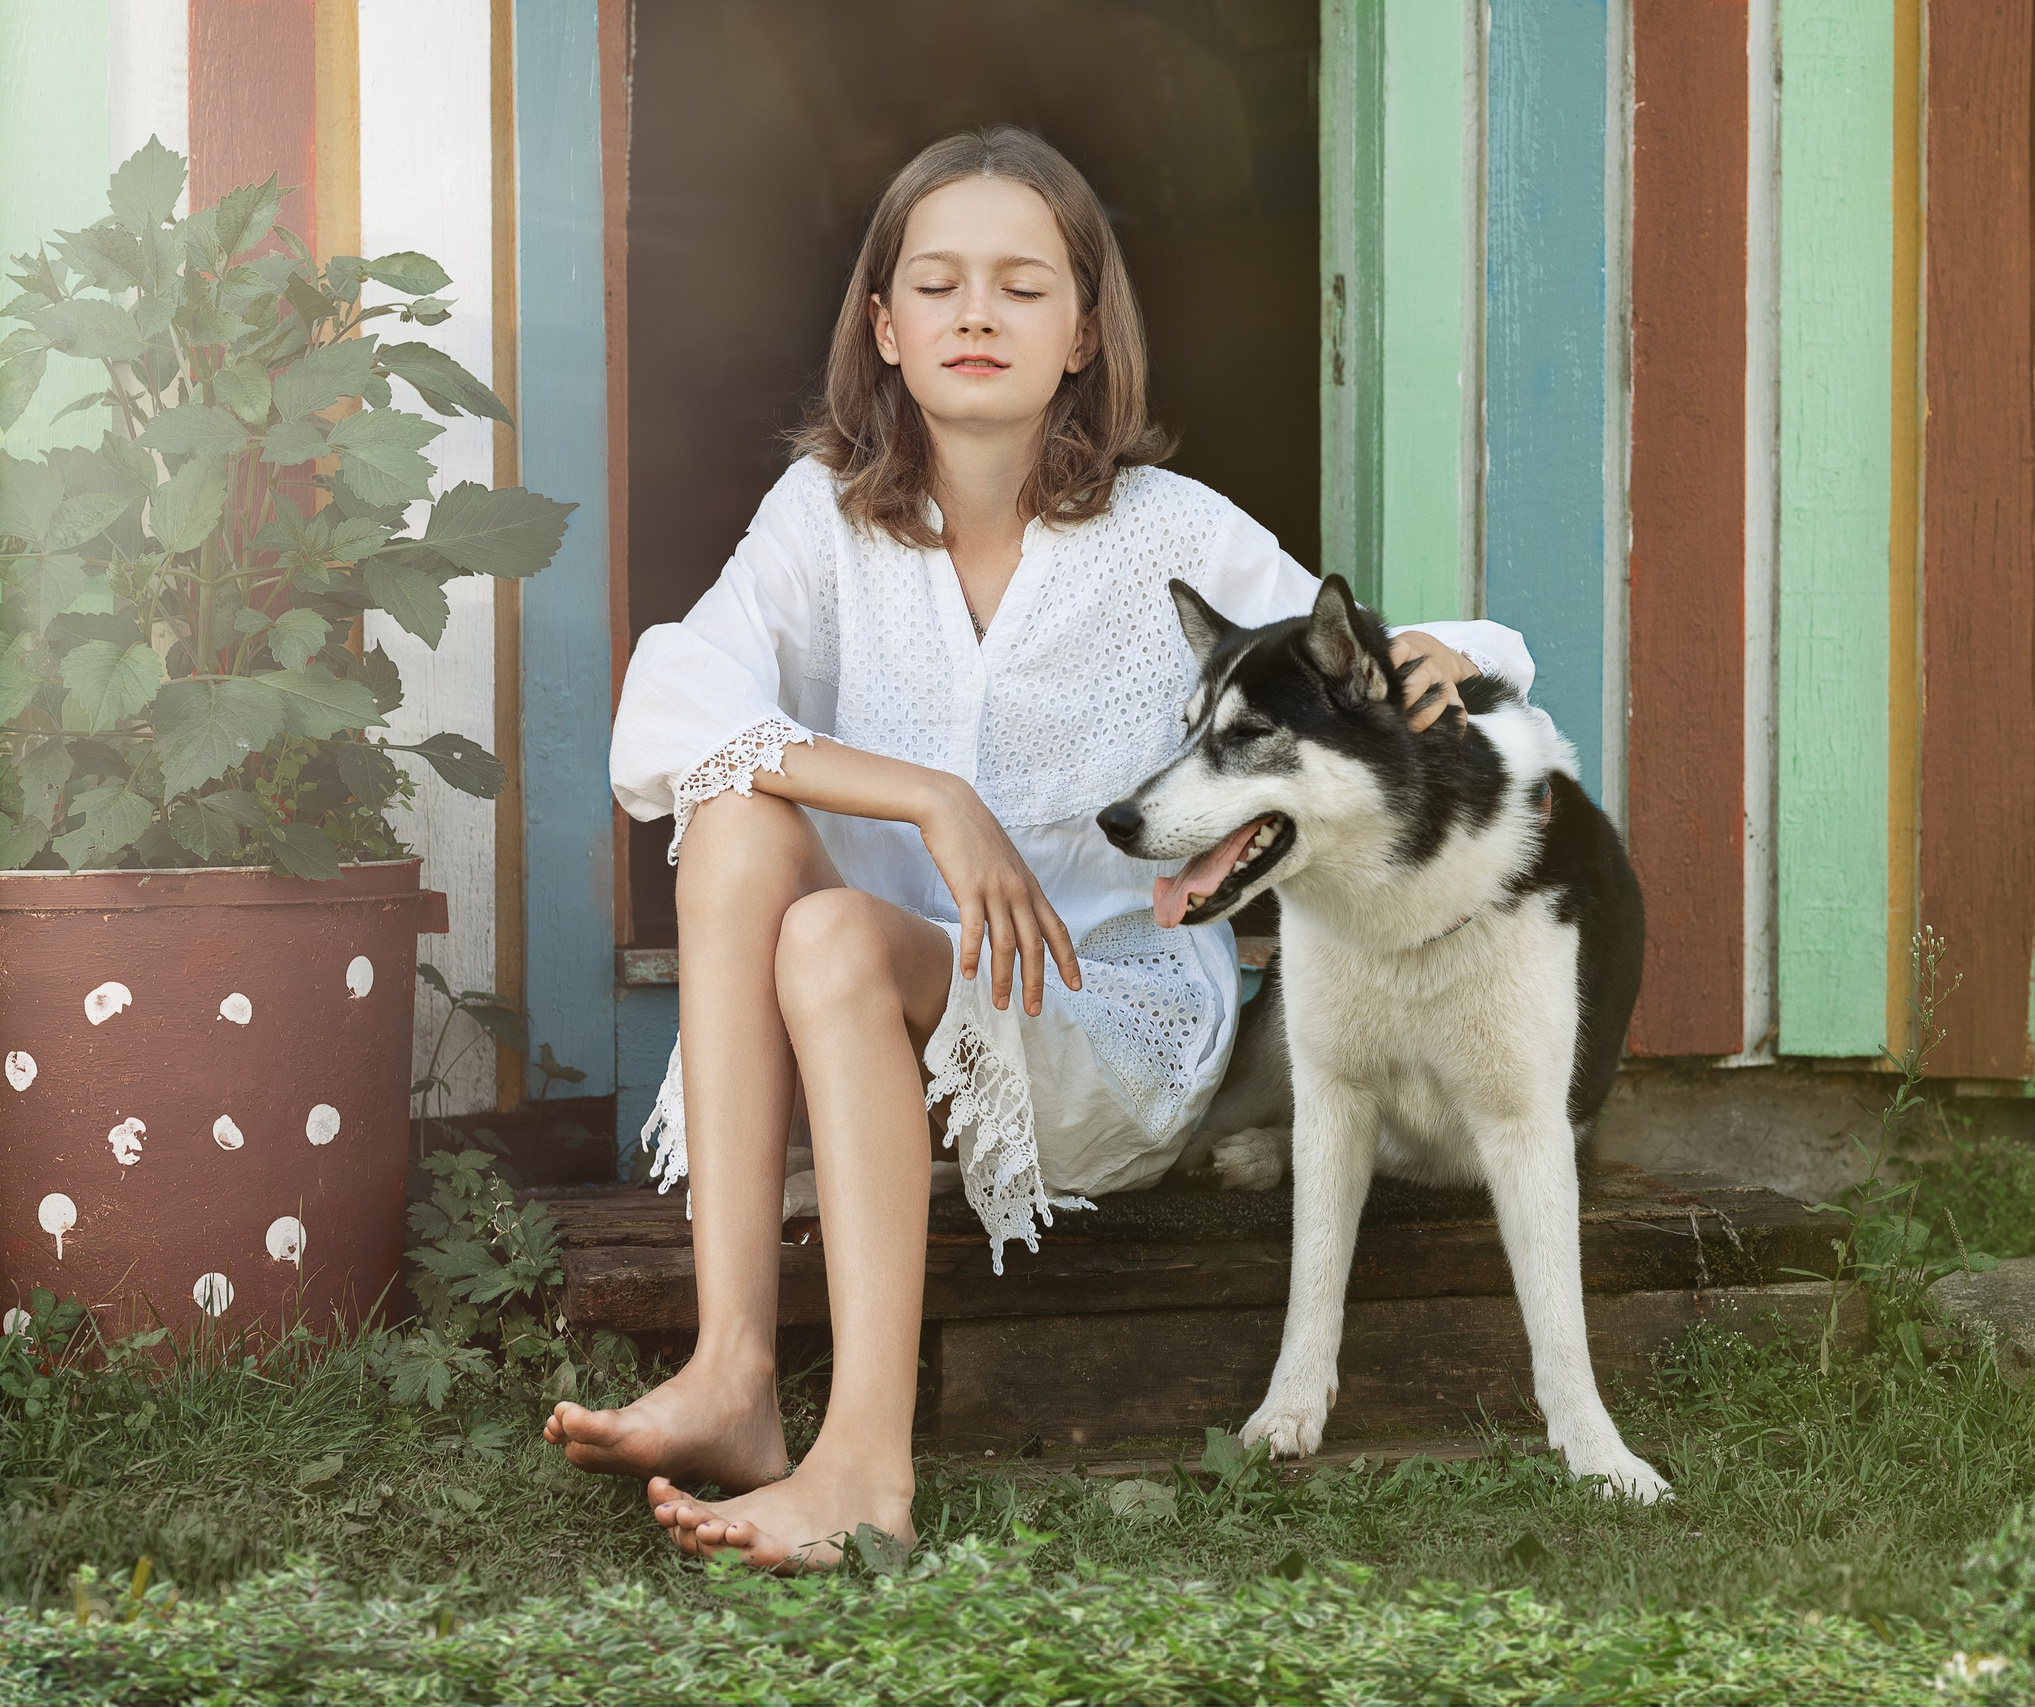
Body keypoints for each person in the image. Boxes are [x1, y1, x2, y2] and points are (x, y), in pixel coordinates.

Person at [544, 126, 1532, 1570]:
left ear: (1083, 333)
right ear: (882, 328)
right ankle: (733, 1373)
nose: (976, 316)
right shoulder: (825, 521)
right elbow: (671, 704)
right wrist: (936, 800)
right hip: (873, 1001)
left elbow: (1366, 658)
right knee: (734, 822)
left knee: (821, 926)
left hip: (1099, 1019)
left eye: (1022, 287)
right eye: (935, 287)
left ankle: (865, 1470)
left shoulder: (1163, 534)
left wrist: (1451, 650)